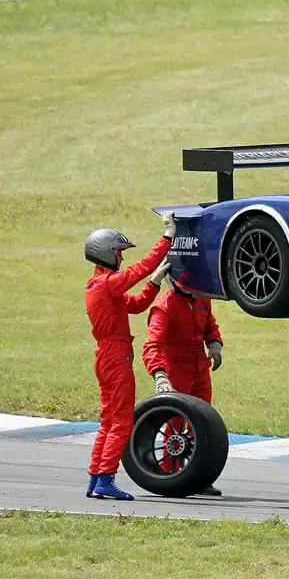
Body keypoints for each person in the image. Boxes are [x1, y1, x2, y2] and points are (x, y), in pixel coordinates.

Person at [84, 212, 175, 500]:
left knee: (108, 421)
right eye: (120, 252)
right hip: (115, 356)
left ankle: (96, 477)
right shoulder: (109, 283)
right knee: (121, 421)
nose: (122, 258)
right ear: (107, 253)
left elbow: (134, 305)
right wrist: (167, 237)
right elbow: (142, 268)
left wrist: (155, 283)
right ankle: (105, 479)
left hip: (106, 356)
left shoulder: (98, 285)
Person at [141, 270, 225, 496]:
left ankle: (201, 478)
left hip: (199, 368)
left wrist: (215, 343)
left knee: (204, 424)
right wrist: (159, 375)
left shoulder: (202, 298)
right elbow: (152, 345)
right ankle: (171, 476)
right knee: (176, 426)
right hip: (175, 369)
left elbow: (210, 324)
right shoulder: (164, 307)